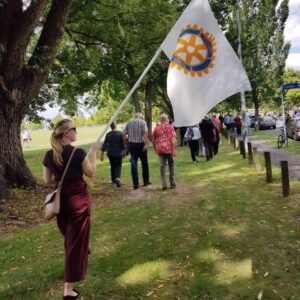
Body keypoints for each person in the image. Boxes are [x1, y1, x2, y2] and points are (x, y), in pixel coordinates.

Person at [42, 119, 97, 299]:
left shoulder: (49, 155)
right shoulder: (78, 152)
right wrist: (94, 152)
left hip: (61, 203)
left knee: (72, 238)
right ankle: (68, 290)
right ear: (67, 133)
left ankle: (83, 244)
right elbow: (90, 173)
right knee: (73, 244)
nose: (76, 132)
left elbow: (48, 181)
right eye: (74, 129)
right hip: (77, 202)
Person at [123, 112, 151, 190]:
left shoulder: (129, 123)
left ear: (135, 116)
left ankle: (136, 184)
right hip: (141, 144)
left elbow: (124, 133)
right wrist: (146, 144)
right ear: (141, 117)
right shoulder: (143, 122)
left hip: (132, 144)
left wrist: (125, 143)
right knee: (144, 163)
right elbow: (145, 132)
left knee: (133, 164)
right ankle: (146, 181)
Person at [152, 114, 177, 190]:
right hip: (169, 149)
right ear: (167, 120)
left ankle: (164, 184)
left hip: (160, 149)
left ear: (160, 120)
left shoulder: (157, 128)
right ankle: (172, 183)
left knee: (162, 167)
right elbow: (174, 138)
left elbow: (153, 139)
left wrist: (155, 148)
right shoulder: (170, 127)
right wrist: (174, 149)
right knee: (171, 165)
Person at [100, 121, 125, 187]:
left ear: (110, 127)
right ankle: (117, 178)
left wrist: (102, 154)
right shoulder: (120, 133)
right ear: (115, 125)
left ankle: (113, 180)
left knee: (113, 166)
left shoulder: (108, 134)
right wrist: (124, 152)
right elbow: (123, 144)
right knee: (118, 166)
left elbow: (105, 144)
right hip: (118, 153)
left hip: (110, 153)